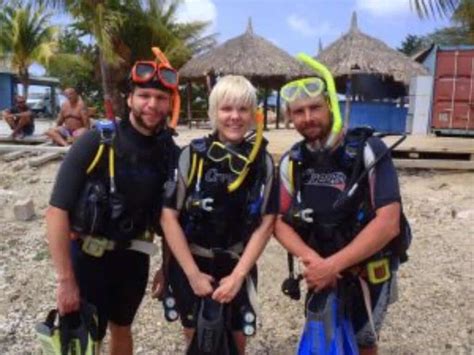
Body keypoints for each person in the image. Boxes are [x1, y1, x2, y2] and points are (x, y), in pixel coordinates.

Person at [45, 53, 180, 354]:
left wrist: (167, 267)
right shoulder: (96, 141)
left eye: (160, 97)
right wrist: (65, 280)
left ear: (169, 103)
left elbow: (172, 217)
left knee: (123, 328)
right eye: (144, 95)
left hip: (133, 260)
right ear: (129, 99)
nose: (153, 105)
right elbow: (56, 212)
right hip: (87, 259)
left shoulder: (171, 153)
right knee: (83, 336)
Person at [275, 55, 406, 355]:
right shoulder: (292, 161)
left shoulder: (370, 150)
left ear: (330, 106)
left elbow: (388, 222)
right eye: (298, 112)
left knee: (364, 341)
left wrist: (331, 265)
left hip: (367, 271)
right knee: (325, 333)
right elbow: (278, 221)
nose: (308, 117)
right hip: (319, 268)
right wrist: (313, 261)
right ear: (290, 117)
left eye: (314, 108)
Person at [158, 75, 277, 354]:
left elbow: (267, 222)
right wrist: (192, 274)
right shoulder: (192, 155)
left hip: (237, 264)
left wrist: (238, 277)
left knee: (237, 341)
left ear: (253, 115)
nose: (234, 117)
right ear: (213, 113)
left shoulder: (262, 161)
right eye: (226, 109)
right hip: (192, 262)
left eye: (243, 109)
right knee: (196, 337)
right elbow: (168, 216)